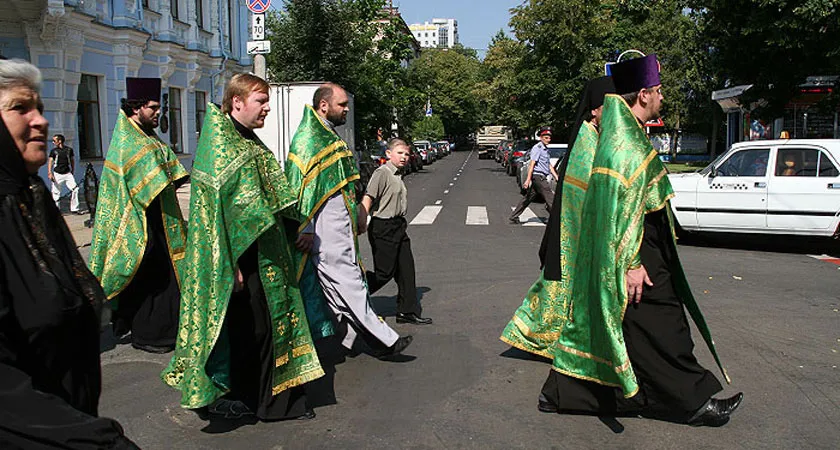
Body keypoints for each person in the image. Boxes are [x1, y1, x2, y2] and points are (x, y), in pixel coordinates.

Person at [538, 54, 743, 427]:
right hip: (639, 254)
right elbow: (625, 213)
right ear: (644, 94)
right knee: (664, 327)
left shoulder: (623, 138)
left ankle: (565, 393)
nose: (662, 98)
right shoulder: (626, 146)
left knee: (627, 330)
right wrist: (632, 264)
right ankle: (694, 403)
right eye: (659, 91)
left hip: (638, 250)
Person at [162, 74, 324, 421]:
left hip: (265, 252)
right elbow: (215, 214)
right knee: (251, 329)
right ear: (236, 102)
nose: (267, 108)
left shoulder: (249, 141)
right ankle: (249, 398)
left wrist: (299, 225)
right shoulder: (220, 144)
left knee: (266, 326)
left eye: (266, 101)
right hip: (238, 259)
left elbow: (272, 194)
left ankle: (268, 399)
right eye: (261, 101)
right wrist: (228, 262)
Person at [0, 57, 138, 449]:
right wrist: (96, 441)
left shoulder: (31, 197)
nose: (41, 121)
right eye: (19, 108)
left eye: (39, 109)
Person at [286, 82, 412, 358]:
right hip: (323, 226)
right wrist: (305, 226)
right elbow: (300, 186)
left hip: (339, 223)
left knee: (333, 286)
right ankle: (385, 339)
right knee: (349, 281)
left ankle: (350, 337)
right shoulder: (309, 139)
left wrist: (357, 213)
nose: (345, 110)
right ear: (324, 105)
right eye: (341, 105)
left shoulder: (328, 135)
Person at [501, 77, 615, 358]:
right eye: (610, 107)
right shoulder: (586, 142)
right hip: (574, 235)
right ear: (594, 110)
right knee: (558, 293)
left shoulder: (593, 137)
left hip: (577, 233)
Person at [88, 77, 189, 353]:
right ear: (137, 107)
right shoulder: (128, 140)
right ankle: (149, 335)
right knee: (150, 278)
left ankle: (164, 332)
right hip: (139, 222)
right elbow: (148, 177)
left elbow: (169, 170)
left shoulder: (145, 134)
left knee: (165, 277)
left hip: (159, 218)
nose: (158, 113)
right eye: (153, 107)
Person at [360, 138, 432, 325]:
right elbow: (368, 197)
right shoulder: (382, 173)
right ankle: (353, 295)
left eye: (407, 154)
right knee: (384, 273)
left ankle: (406, 312)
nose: (404, 157)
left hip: (398, 225)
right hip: (383, 227)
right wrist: (361, 220)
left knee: (406, 271)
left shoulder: (398, 174)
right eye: (400, 153)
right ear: (388, 154)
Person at [509, 126, 560, 224]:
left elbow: (548, 165)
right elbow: (532, 164)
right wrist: (528, 180)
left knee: (528, 198)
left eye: (549, 138)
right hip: (538, 177)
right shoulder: (538, 148)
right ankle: (557, 220)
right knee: (550, 197)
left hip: (540, 176)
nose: (548, 140)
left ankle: (514, 216)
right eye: (546, 137)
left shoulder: (545, 149)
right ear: (541, 137)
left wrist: (556, 176)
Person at [48, 133, 83, 214]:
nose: (53, 142)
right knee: (56, 192)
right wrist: (50, 172)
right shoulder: (54, 151)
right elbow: (50, 161)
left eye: (54, 141)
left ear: (59, 141)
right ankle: (56, 210)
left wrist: (72, 170)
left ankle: (74, 208)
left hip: (67, 173)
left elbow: (72, 160)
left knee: (75, 189)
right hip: (57, 173)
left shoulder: (68, 150)